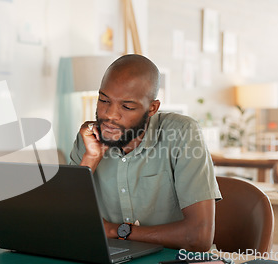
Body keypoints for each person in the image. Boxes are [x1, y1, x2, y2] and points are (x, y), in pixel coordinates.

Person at [69, 54, 221, 252]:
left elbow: (199, 237)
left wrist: (115, 231)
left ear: (152, 108)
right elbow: (65, 221)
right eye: (104, 100)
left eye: (127, 106)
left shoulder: (182, 133)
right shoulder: (89, 139)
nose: (109, 114)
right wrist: (91, 159)